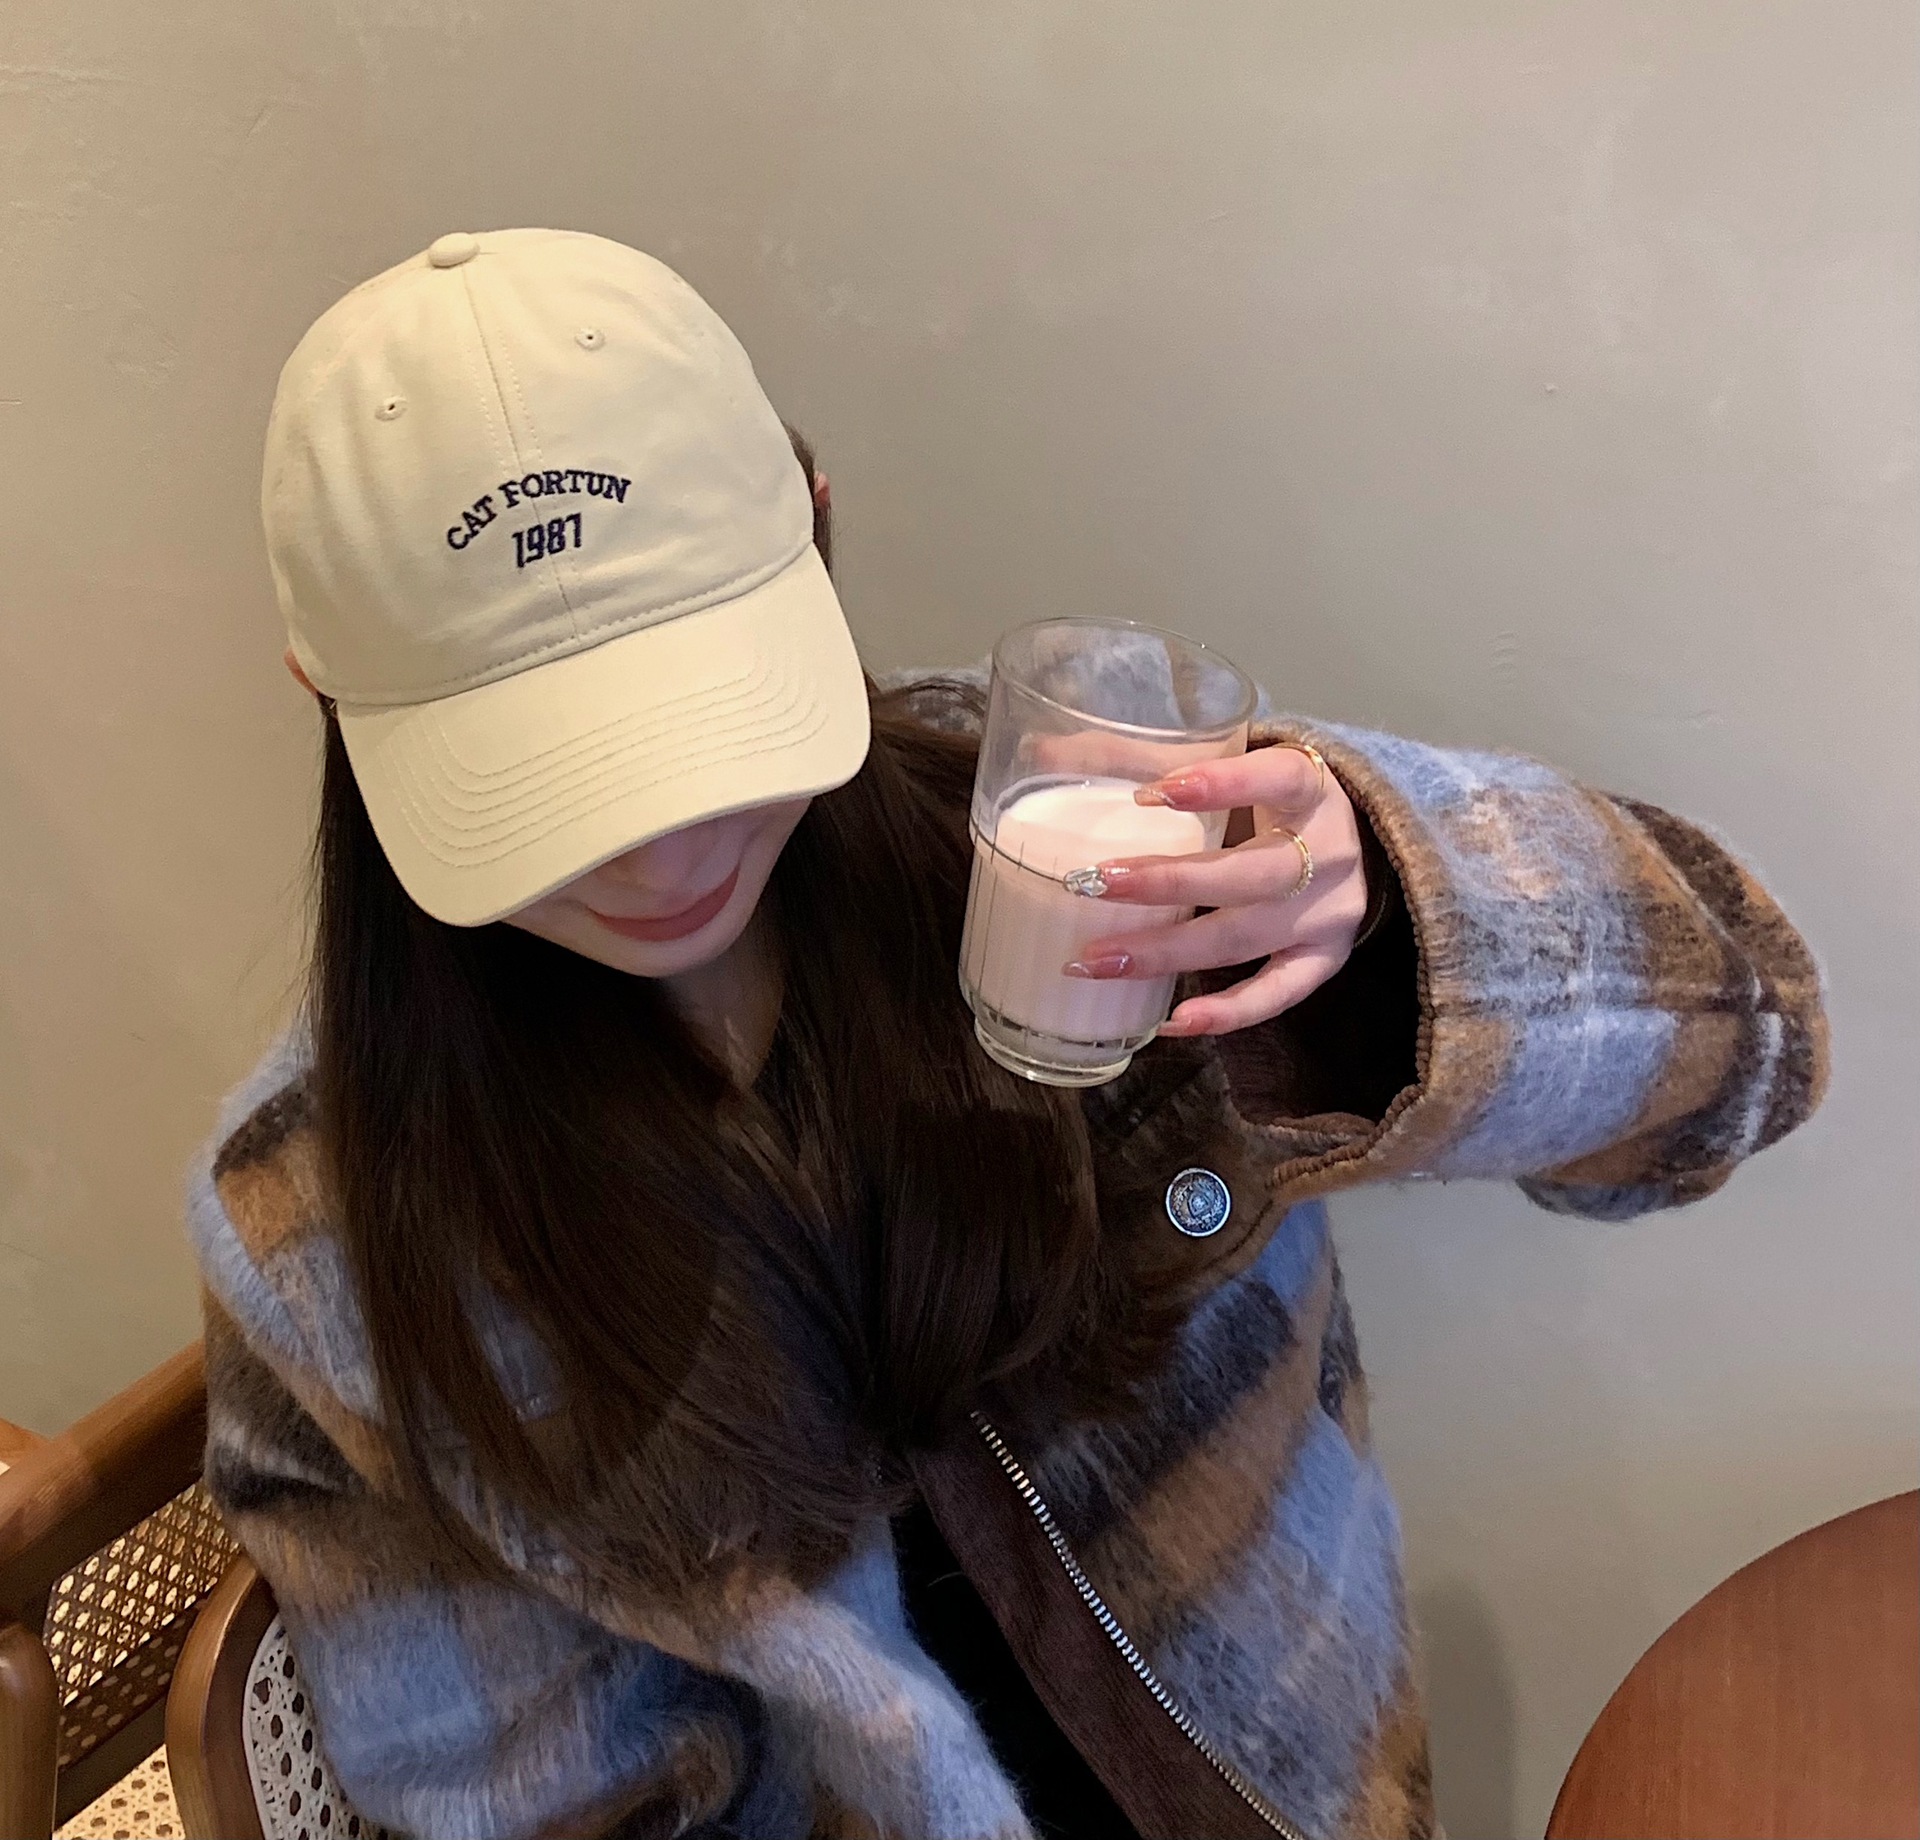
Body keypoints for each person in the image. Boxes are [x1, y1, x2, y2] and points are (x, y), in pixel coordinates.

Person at [191, 227, 1828, 1840]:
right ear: (324, 688)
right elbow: (545, 1804)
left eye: (700, 723)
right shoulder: (323, 1233)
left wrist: (1404, 928)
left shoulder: (1106, 827)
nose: (657, 851)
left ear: (814, 526)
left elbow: (1751, 1058)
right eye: (539, 774)